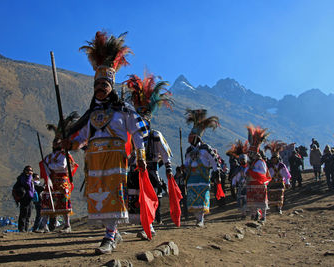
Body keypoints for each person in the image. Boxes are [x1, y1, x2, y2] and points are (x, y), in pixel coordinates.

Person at [63, 31, 148, 254]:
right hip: (95, 161)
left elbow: (139, 132)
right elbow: (83, 138)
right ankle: (113, 231)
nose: (100, 88)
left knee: (112, 195)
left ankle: (109, 237)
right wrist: (71, 144)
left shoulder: (124, 111)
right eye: (97, 85)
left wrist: (141, 157)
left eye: (104, 85)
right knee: (98, 199)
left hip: (115, 160)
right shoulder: (90, 115)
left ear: (111, 86)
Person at [125, 73, 174, 238]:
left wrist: (168, 169)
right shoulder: (130, 136)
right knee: (136, 200)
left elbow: (166, 153)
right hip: (133, 172)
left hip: (150, 172)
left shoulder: (155, 135)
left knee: (148, 198)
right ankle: (143, 226)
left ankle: (150, 227)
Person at [39, 113, 79, 234]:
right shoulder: (50, 156)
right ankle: (44, 226)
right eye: (54, 142)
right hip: (51, 182)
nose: (55, 144)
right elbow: (44, 164)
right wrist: (46, 168)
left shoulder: (65, 155)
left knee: (64, 203)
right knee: (47, 201)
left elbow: (62, 166)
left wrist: (49, 167)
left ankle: (67, 225)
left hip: (62, 181)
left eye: (57, 142)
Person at [183, 109, 220, 227]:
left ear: (196, 137)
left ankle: (201, 219)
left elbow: (214, 160)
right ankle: (197, 218)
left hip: (203, 176)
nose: (189, 139)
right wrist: (183, 169)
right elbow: (186, 163)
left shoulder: (205, 148)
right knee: (193, 199)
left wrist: (216, 172)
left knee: (202, 197)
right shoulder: (188, 151)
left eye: (191, 136)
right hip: (191, 177)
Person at [245, 125, 271, 222]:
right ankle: (255, 214)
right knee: (253, 202)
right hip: (252, 184)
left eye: (251, 153)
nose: (250, 155)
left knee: (261, 202)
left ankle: (263, 216)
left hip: (259, 184)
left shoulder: (260, 162)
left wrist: (252, 172)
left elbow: (263, 172)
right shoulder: (251, 163)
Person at [265, 141, 291, 214]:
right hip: (272, 183)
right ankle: (273, 208)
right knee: (272, 196)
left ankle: (279, 208)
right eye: (273, 159)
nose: (274, 160)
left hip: (280, 183)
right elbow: (267, 175)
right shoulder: (269, 166)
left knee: (280, 196)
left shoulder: (282, 166)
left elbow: (286, 174)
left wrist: (287, 182)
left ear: (278, 158)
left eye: (275, 158)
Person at [228, 140, 249, 217]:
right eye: (241, 160)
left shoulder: (250, 168)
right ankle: (243, 213)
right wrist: (233, 184)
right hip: (240, 186)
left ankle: (248, 211)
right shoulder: (238, 169)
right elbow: (235, 177)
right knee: (241, 199)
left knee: (248, 199)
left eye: (244, 159)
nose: (243, 161)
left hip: (248, 186)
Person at [16, 166, 35, 232]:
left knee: (28, 213)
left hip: (30, 198)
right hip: (24, 197)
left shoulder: (30, 178)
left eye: (31, 170)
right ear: (25, 170)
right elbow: (27, 185)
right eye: (28, 170)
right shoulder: (23, 177)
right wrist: (30, 176)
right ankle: (21, 228)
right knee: (24, 213)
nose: (30, 172)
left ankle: (26, 228)